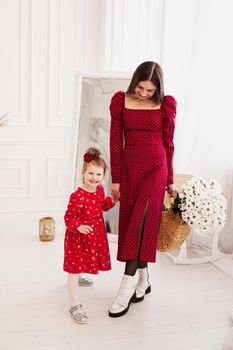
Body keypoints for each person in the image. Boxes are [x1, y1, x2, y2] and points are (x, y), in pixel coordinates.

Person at [109, 61, 177, 317]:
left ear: (157, 89)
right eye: (141, 88)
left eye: (150, 90)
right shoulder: (120, 101)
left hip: (156, 168)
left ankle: (125, 287)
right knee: (132, 222)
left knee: (140, 223)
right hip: (129, 168)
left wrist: (170, 178)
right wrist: (116, 178)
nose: (144, 94)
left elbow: (169, 144)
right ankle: (144, 278)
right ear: (134, 82)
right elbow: (115, 140)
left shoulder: (166, 104)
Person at [63, 147, 116, 324]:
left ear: (103, 176)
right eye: (91, 173)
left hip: (94, 235)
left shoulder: (100, 191)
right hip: (77, 237)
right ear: (83, 173)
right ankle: (75, 305)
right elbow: (68, 217)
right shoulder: (77, 196)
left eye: (99, 174)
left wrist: (114, 200)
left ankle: (79, 276)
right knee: (73, 268)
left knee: (83, 262)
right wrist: (78, 226)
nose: (94, 177)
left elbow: (103, 205)